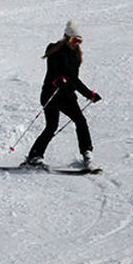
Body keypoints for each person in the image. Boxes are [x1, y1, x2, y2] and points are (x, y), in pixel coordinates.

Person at [22, 21, 102, 169]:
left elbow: (74, 79)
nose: (76, 44)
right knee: (51, 126)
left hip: (67, 96)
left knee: (81, 121)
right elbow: (53, 71)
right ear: (66, 37)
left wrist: (89, 94)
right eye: (73, 40)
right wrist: (57, 80)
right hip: (51, 95)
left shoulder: (76, 56)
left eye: (79, 41)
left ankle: (87, 153)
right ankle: (34, 157)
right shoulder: (54, 51)